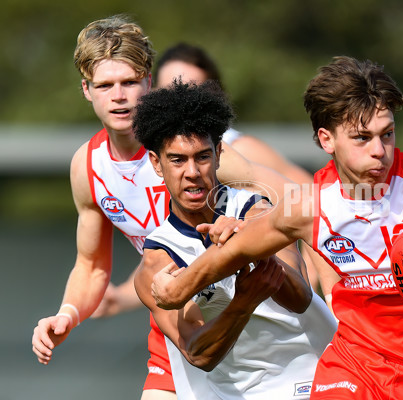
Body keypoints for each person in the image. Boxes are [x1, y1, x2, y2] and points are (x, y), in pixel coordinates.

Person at [150, 56, 403, 399]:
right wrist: (179, 287)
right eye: (362, 138)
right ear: (326, 140)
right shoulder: (310, 205)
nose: (380, 152)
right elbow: (238, 250)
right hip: (355, 363)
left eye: (388, 135)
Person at [30, 15, 297, 400]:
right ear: (86, 90)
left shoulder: (191, 149)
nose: (119, 96)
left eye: (129, 82)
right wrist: (67, 314)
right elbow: (91, 266)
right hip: (178, 323)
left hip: (256, 314)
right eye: (105, 85)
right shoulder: (87, 166)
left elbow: (295, 206)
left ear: (149, 83)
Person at [133, 80, 337, 399]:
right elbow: (200, 354)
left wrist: (248, 247)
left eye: (202, 156)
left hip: (310, 377)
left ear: (218, 154)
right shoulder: (157, 261)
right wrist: (243, 301)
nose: (192, 171)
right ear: (157, 164)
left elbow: (299, 298)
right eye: (177, 160)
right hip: (230, 393)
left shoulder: (257, 209)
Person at [154, 42, 340, 304]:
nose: (183, 97)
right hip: (192, 317)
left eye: (195, 89)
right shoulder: (110, 160)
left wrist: (330, 293)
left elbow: (310, 206)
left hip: (272, 321)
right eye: (170, 89)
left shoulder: (233, 152)